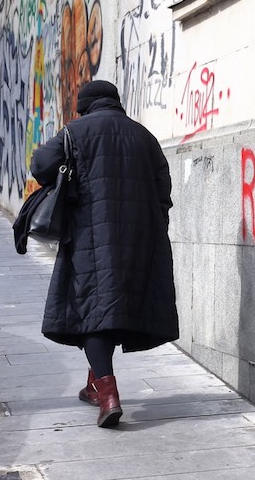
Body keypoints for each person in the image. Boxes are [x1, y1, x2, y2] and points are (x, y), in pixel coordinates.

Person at [30, 80, 179, 428]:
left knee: (90, 309)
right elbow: (163, 191)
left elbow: (41, 166)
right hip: (140, 238)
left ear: (85, 106)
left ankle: (108, 394)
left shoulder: (76, 132)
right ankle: (93, 385)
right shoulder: (144, 136)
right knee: (109, 307)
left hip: (89, 236)